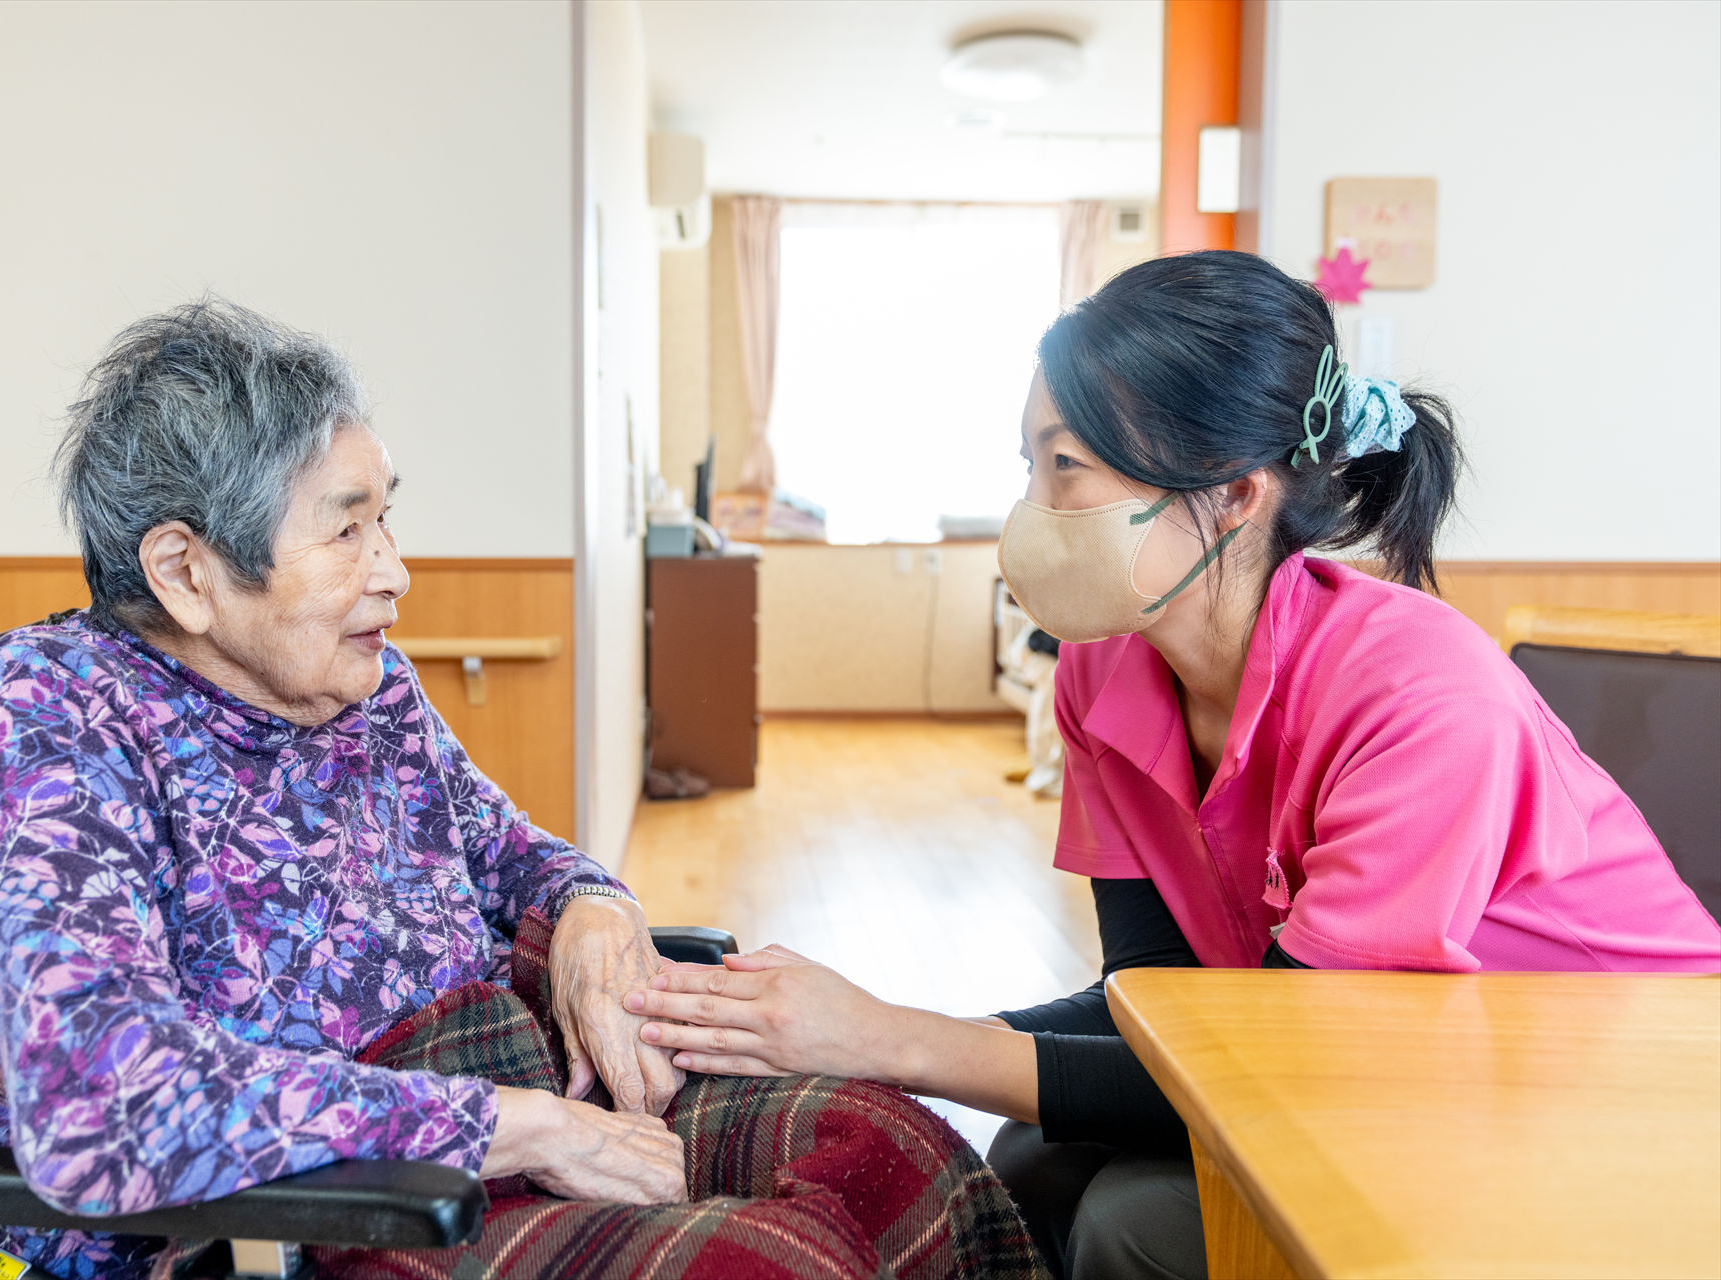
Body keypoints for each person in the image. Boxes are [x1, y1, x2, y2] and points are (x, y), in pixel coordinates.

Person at [621, 251, 1721, 1280]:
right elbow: (1158, 999)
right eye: (1029, 464)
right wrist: (839, 1026)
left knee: (1135, 1224)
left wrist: (887, 1038)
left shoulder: (1420, 700)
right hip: (1361, 1057)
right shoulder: (1104, 675)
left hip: (1618, 1093)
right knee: (1032, 1159)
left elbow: (1284, 1059)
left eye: (1069, 467)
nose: (1033, 510)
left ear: (1237, 493)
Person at [0, 300, 1042, 1279]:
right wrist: (513, 1130)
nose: (394, 569)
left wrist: (591, 910)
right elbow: (106, 1103)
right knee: (762, 1263)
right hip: (290, 1210)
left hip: (494, 1077)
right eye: (345, 527)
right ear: (186, 572)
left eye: (386, 517)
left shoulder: (360, 685)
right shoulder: (51, 711)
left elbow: (515, 854)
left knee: (888, 1143)